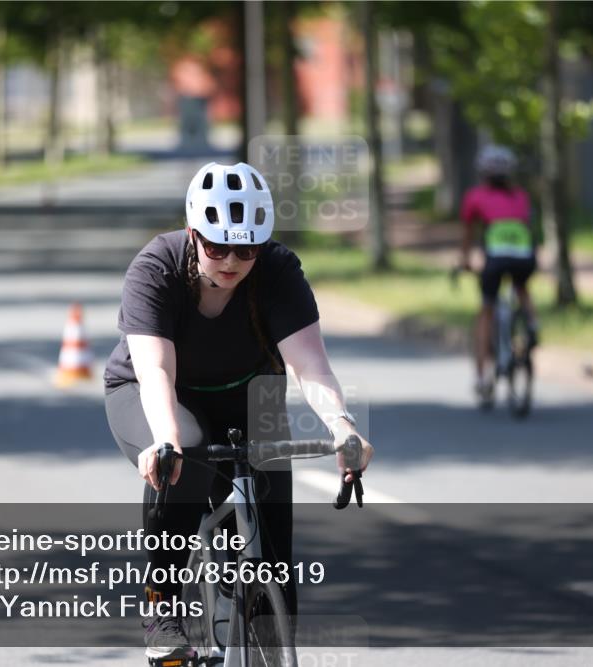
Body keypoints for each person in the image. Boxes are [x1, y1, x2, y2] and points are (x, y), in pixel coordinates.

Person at [103, 161, 374, 664]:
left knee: (272, 557)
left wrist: (342, 426)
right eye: (216, 246)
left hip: (253, 394)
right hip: (160, 395)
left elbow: (310, 365)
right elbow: (156, 372)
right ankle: (161, 607)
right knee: (180, 447)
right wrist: (165, 441)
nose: (231, 260)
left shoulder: (277, 271)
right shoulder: (155, 268)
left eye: (246, 248)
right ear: (193, 233)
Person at [458, 145, 539, 401]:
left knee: (486, 309)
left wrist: (465, 261)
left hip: (495, 261)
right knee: (521, 287)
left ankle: (482, 377)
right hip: (525, 258)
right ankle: (532, 324)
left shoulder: (475, 197)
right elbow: (527, 227)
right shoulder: (521, 196)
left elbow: (469, 234)